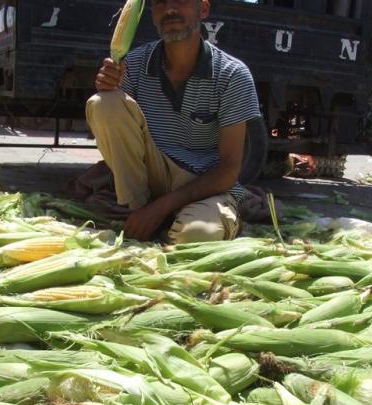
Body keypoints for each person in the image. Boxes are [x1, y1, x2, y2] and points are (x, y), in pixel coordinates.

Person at [86, 0, 260, 243]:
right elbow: (116, 130)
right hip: (151, 176)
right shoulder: (134, 64)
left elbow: (229, 170)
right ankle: (137, 208)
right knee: (103, 102)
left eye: (180, 0)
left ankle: (157, 215)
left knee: (197, 236)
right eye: (159, 2)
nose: (169, 9)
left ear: (204, 9)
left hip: (203, 185)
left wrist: (161, 207)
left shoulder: (232, 75)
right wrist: (107, 86)